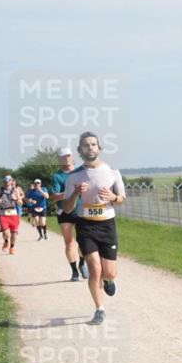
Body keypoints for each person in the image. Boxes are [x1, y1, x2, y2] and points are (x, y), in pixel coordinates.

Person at [62, 132, 126, 325]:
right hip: (86, 225)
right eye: (85, 145)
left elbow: (122, 199)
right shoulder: (74, 176)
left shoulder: (113, 171)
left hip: (107, 225)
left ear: (99, 148)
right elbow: (67, 208)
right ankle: (99, 309)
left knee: (109, 272)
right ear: (80, 150)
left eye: (93, 144)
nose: (90, 148)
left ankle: (109, 280)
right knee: (94, 269)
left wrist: (113, 198)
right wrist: (75, 193)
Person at [49, 148, 89, 281]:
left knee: (84, 241)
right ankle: (74, 272)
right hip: (64, 212)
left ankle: (82, 263)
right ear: (59, 159)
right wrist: (72, 191)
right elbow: (54, 197)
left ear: (72, 157)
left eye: (68, 156)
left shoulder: (81, 172)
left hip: (81, 210)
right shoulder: (57, 176)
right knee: (69, 242)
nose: (66, 158)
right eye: (63, 156)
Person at [0, 176, 24, 254]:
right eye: (5, 181)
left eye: (8, 181)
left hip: (13, 213)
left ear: (11, 181)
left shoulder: (15, 190)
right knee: (5, 233)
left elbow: (21, 202)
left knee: (14, 233)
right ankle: (6, 241)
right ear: (3, 182)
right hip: (2, 213)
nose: (6, 182)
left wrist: (15, 199)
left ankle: (12, 247)